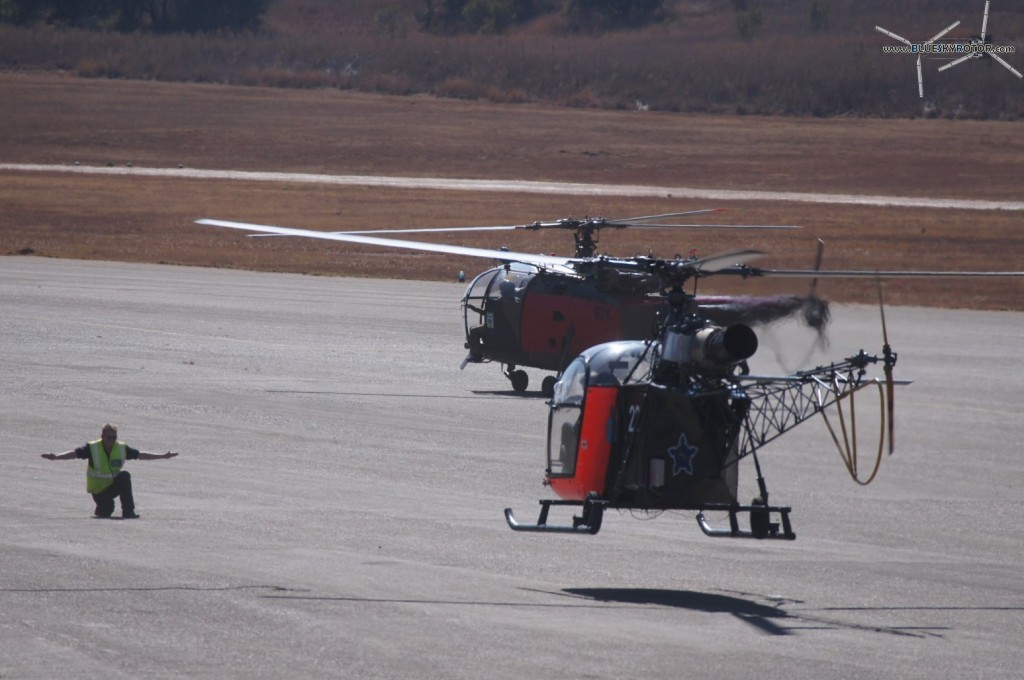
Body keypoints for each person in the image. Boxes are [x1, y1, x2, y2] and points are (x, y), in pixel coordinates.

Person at [41, 423, 178, 519]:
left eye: (114, 437)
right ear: (102, 436)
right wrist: (56, 457)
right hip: (99, 490)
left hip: (112, 486)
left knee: (125, 476)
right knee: (106, 510)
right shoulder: (92, 448)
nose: (112, 440)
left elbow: (140, 455)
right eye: (109, 437)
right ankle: (102, 508)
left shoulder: (121, 448)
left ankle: (128, 511)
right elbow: (74, 454)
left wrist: (163, 456)